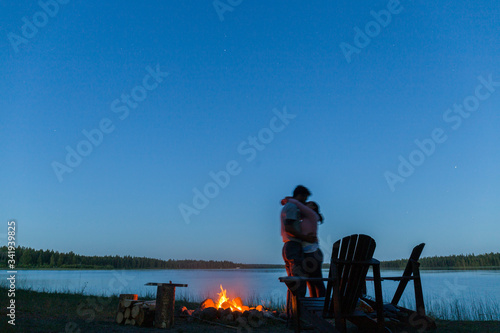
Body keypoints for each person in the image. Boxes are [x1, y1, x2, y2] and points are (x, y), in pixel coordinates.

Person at [282, 197, 326, 298]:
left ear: (314, 207)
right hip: (307, 252)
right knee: (310, 283)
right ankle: (313, 307)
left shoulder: (312, 216)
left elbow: (299, 206)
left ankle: (321, 306)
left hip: (313, 252)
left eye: (309, 203)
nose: (305, 204)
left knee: (317, 281)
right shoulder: (305, 218)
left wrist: (289, 200)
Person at [280, 185, 317, 299]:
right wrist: (306, 238)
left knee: (293, 281)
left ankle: (292, 312)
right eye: (304, 198)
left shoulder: (289, 206)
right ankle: (299, 312)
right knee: (298, 280)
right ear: (300, 196)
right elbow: (289, 228)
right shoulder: (291, 207)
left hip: (288, 245)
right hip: (293, 245)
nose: (305, 201)